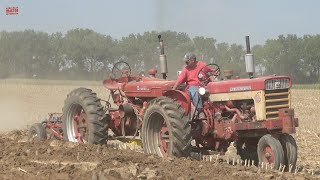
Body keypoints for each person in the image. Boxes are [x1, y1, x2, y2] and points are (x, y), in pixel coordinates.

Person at [172, 52, 218, 118]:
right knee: (195, 91)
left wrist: (215, 72)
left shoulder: (202, 65)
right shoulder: (186, 69)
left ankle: (217, 110)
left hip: (204, 86)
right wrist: (174, 89)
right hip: (192, 87)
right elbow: (179, 80)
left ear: (193, 60)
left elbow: (210, 70)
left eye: (187, 62)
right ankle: (200, 111)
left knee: (215, 89)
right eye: (186, 62)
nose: (186, 64)